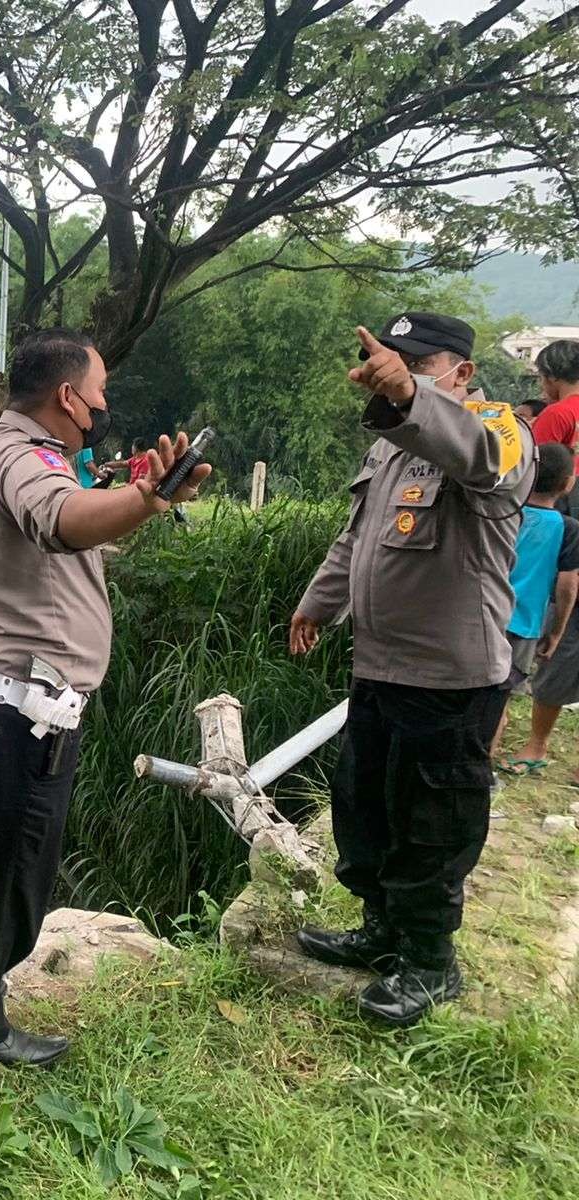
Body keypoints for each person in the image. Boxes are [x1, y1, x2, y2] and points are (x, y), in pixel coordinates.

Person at [0, 327, 208, 1067]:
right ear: (69, 396)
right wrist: (145, 497)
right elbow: (62, 518)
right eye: (101, 389)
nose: (105, 403)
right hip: (16, 709)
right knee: (8, 871)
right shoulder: (27, 462)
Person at [290, 313, 534, 1028]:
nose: (398, 374)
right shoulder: (393, 445)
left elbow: (484, 463)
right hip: (380, 665)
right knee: (364, 805)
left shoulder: (498, 430)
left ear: (460, 372)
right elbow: (357, 536)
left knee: (433, 820)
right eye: (393, 363)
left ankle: (430, 961)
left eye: (418, 364)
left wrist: (411, 400)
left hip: (451, 677)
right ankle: (381, 932)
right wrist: (318, 602)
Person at [493, 443, 579, 768]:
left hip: (484, 613)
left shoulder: (502, 512)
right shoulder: (567, 529)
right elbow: (568, 584)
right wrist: (556, 631)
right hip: (524, 624)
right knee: (498, 700)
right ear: (568, 484)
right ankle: (483, 769)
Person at [529, 339, 579, 449]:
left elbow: (537, 461)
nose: (541, 384)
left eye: (540, 377)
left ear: (552, 377)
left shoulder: (557, 413)